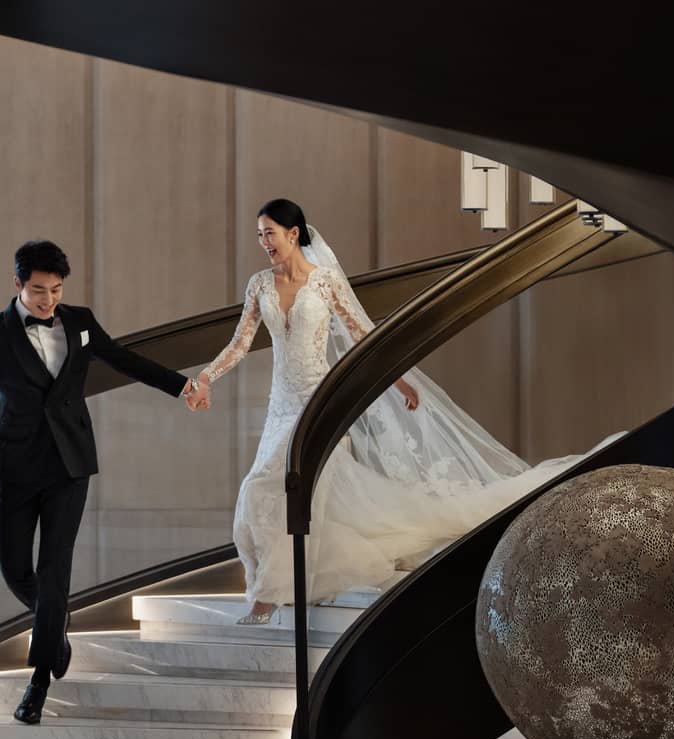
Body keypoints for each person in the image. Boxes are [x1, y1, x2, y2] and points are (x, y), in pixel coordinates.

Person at [189, 199, 610, 623]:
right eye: (260, 235)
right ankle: (288, 583)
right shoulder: (259, 284)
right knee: (276, 494)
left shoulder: (325, 282)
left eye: (271, 233)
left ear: (293, 234)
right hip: (279, 409)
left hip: (320, 405)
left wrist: (400, 380)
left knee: (267, 489)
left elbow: (363, 338)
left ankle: (267, 597)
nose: (265, 242)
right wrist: (206, 377)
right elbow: (241, 344)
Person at [0, 240, 207, 723]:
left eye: (55, 290)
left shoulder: (81, 321)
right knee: (14, 569)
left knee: (54, 569)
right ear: (17, 284)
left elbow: (124, 359)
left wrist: (182, 387)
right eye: (37, 290)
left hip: (71, 465)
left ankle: (37, 683)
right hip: (16, 464)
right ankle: (55, 623)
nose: (48, 300)